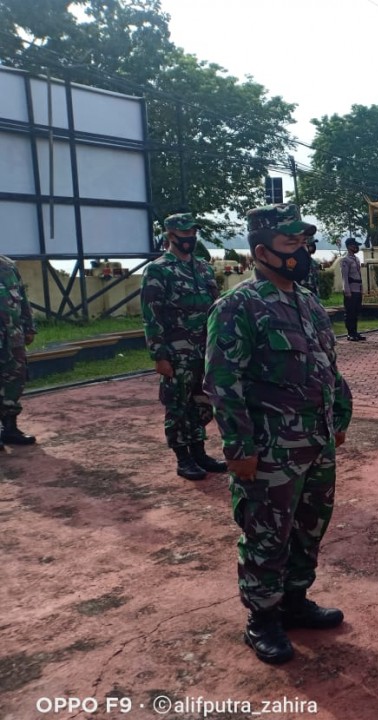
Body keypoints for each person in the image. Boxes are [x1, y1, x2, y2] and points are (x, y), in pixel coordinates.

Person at [204, 203, 353, 665]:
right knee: (267, 534)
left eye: (304, 243)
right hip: (269, 449)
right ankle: (262, 618)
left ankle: (294, 600)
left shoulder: (306, 302)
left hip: (316, 442)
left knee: (309, 528)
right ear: (263, 251)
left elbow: (328, 367)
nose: (303, 251)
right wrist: (238, 448)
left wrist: (340, 417)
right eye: (293, 243)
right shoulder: (237, 307)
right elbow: (223, 384)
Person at [140, 212, 225, 481]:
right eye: (184, 234)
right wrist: (159, 355)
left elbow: (215, 307)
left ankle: (199, 451)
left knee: (202, 403)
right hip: (176, 352)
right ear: (170, 236)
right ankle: (183, 457)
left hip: (205, 350)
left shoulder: (203, 267)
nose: (189, 238)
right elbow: (151, 315)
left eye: (192, 233)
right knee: (178, 405)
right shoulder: (158, 269)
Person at [0, 255, 36, 450]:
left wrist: (29, 327)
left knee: (15, 379)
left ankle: (10, 428)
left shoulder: (8, 265)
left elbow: (22, 298)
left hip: (13, 337)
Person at [340, 238, 365, 342]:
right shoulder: (345, 260)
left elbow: (359, 275)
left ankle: (355, 331)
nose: (356, 247)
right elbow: (344, 277)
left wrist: (361, 288)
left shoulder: (356, 259)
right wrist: (347, 290)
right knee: (350, 312)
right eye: (355, 245)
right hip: (350, 289)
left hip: (357, 289)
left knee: (356, 312)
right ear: (349, 246)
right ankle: (350, 333)